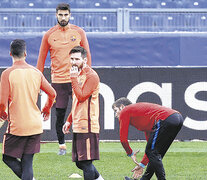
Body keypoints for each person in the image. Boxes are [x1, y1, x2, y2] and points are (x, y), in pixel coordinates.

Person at [37, 3, 91, 155]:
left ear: (70, 15)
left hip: (77, 80)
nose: (63, 17)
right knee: (60, 115)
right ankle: (62, 146)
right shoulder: (49, 35)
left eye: (65, 15)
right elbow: (41, 61)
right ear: (56, 15)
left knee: (80, 113)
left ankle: (80, 145)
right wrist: (37, 84)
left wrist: (87, 75)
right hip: (58, 82)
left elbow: (87, 55)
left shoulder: (79, 32)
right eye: (60, 15)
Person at [0, 39, 56, 180]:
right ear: (25, 53)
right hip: (35, 125)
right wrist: (47, 108)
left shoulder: (7, 73)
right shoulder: (36, 72)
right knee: (27, 162)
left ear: (10, 54)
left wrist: (3, 114)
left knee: (7, 158)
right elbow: (52, 93)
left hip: (18, 126)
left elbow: (2, 102)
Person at [112, 97, 183, 180]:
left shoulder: (125, 111)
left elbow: (123, 139)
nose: (115, 115)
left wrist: (130, 153)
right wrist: (142, 165)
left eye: (116, 110)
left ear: (122, 106)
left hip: (166, 119)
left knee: (152, 152)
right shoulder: (142, 115)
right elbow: (150, 147)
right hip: (177, 118)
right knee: (155, 153)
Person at [62, 46, 104, 180]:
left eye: (77, 59)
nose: (74, 62)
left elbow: (82, 97)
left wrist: (73, 78)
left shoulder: (91, 76)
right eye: (72, 59)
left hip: (88, 125)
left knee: (86, 163)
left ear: (84, 59)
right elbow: (76, 102)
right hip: (79, 124)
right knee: (80, 162)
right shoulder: (78, 75)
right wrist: (69, 120)